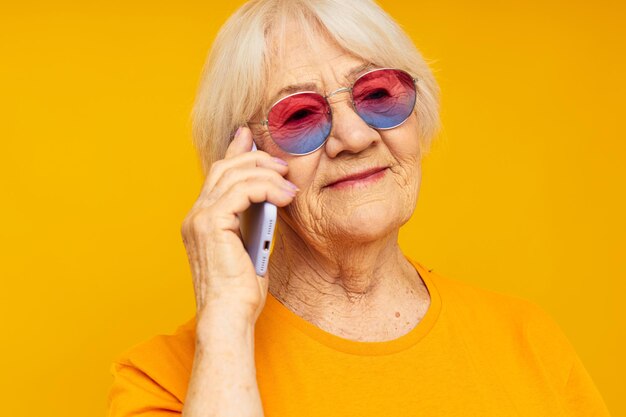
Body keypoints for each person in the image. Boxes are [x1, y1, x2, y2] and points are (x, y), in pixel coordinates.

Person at [106, 1, 611, 416]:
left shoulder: (527, 341)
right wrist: (225, 326)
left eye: (376, 94)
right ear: (243, 163)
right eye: (299, 114)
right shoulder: (165, 379)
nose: (353, 136)